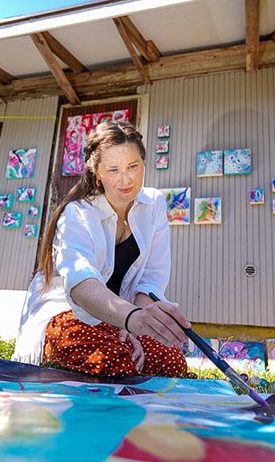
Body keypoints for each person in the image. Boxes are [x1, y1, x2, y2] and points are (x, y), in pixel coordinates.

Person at [12, 121, 190, 377]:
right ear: (97, 174)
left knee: (171, 361)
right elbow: (82, 284)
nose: (126, 179)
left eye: (133, 166)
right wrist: (129, 318)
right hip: (71, 313)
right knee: (112, 363)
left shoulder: (154, 205)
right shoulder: (77, 214)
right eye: (113, 170)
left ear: (143, 163)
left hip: (123, 317)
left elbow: (151, 278)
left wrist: (135, 323)